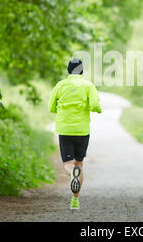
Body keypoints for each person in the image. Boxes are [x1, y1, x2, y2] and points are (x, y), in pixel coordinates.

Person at [48, 58, 102, 210]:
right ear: (82, 70)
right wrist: (98, 109)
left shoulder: (60, 85)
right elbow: (94, 104)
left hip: (65, 131)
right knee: (79, 164)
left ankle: (72, 173)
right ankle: (75, 200)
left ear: (68, 70)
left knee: (67, 164)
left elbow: (51, 107)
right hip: (82, 131)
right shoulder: (88, 86)